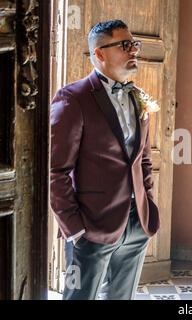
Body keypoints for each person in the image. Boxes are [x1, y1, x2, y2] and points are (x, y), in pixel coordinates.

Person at [50, 19, 159, 300]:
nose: (134, 50)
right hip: (91, 225)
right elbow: (54, 170)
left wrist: (147, 203)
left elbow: (143, 159)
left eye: (134, 44)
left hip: (136, 224)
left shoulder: (138, 97)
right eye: (125, 45)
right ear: (99, 54)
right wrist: (74, 229)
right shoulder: (73, 99)